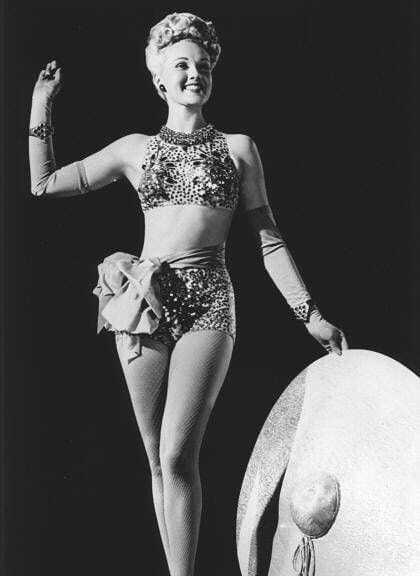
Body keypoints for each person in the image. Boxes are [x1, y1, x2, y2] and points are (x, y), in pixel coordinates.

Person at [28, 12, 348, 576]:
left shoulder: (239, 149)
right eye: (181, 64)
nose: (194, 73)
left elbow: (269, 241)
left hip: (208, 303)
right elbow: (45, 184)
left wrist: (310, 315)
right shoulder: (135, 149)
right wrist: (41, 104)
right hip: (143, 306)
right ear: (159, 78)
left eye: (203, 65)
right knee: (159, 462)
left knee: (178, 454)